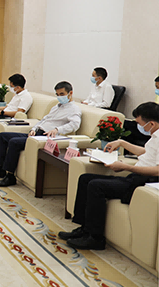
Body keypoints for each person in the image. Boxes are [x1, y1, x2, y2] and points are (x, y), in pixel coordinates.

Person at [59, 102, 159, 250]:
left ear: (151, 123)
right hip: (134, 177)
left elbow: (157, 170)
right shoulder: (155, 135)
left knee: (96, 186)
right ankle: (84, 229)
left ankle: (95, 238)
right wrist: (122, 142)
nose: (139, 127)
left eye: (139, 124)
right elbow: (146, 153)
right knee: (85, 179)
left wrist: (126, 167)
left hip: (143, 183)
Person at [0, 81, 81, 187]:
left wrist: (57, 129)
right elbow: (44, 120)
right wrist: (33, 129)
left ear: (70, 93)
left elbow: (75, 125)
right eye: (57, 94)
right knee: (3, 136)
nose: (59, 97)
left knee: (14, 142)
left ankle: (10, 176)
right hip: (36, 133)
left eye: (62, 94)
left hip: (46, 137)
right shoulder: (56, 106)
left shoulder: (74, 109)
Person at [121, 76, 159, 147]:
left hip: (153, 128)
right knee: (124, 124)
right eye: (156, 87)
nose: (157, 90)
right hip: (150, 122)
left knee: (129, 131)